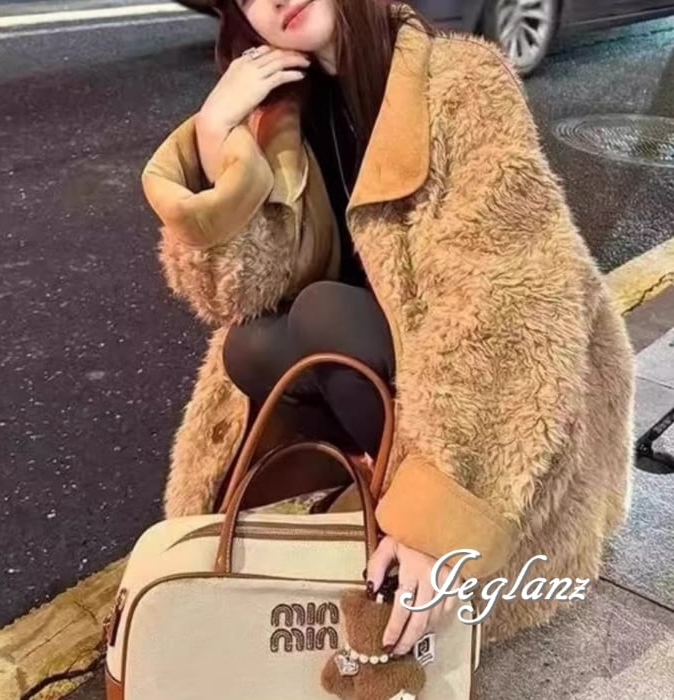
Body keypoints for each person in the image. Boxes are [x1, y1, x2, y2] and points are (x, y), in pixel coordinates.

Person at [141, 0, 634, 653]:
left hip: (508, 399)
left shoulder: (458, 83)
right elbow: (230, 292)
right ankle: (372, 478)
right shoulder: (286, 116)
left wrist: (435, 519)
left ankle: (408, 505)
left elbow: (504, 304)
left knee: (323, 312)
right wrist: (215, 138)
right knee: (251, 346)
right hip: (386, 363)